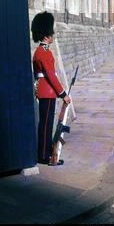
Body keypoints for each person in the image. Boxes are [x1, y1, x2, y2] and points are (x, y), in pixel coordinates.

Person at [31, 11, 71, 166]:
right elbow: (51, 76)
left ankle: (45, 154)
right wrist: (63, 94)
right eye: (51, 33)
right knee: (46, 125)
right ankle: (44, 155)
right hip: (47, 92)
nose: (52, 35)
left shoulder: (41, 51)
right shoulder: (43, 53)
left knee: (46, 124)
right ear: (46, 35)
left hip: (45, 91)